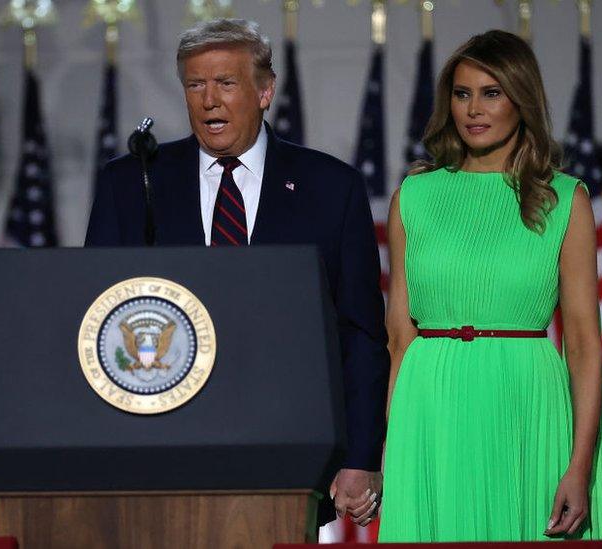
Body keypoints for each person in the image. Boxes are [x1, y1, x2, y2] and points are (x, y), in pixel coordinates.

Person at [85, 18, 389, 526]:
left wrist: (361, 457)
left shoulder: (331, 188)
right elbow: (96, 315)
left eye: (226, 83)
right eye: (195, 85)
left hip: (289, 447)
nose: (209, 101)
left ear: (265, 91)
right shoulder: (132, 183)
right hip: (158, 450)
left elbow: (360, 333)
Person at [379, 30, 602, 541]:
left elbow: (582, 344)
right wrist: (388, 450)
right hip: (431, 411)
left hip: (528, 408)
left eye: (492, 93)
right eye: (462, 94)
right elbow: (399, 338)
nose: (473, 109)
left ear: (521, 100)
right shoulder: (413, 198)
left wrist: (580, 467)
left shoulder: (563, 200)